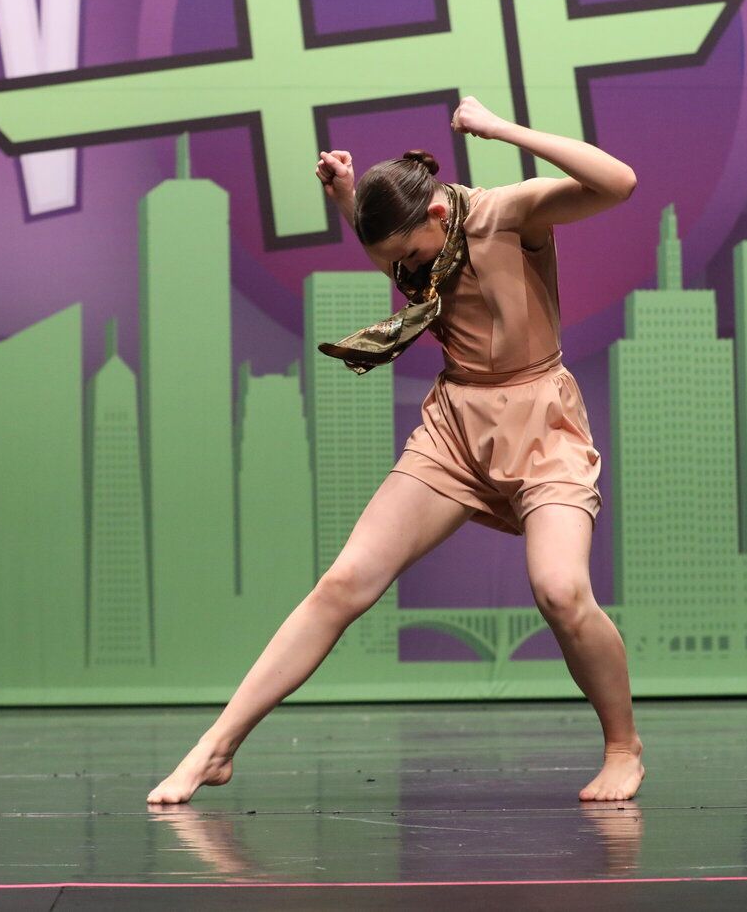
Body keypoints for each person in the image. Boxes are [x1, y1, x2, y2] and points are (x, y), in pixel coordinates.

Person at [146, 95, 643, 805]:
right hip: (455, 428)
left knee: (560, 590)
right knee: (344, 582)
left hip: (541, 422)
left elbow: (618, 181)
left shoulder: (505, 212)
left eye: (408, 256)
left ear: (439, 215)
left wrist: (499, 129)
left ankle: (623, 746)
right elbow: (397, 241)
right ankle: (214, 747)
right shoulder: (415, 240)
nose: (406, 275)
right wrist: (349, 195)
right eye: (394, 264)